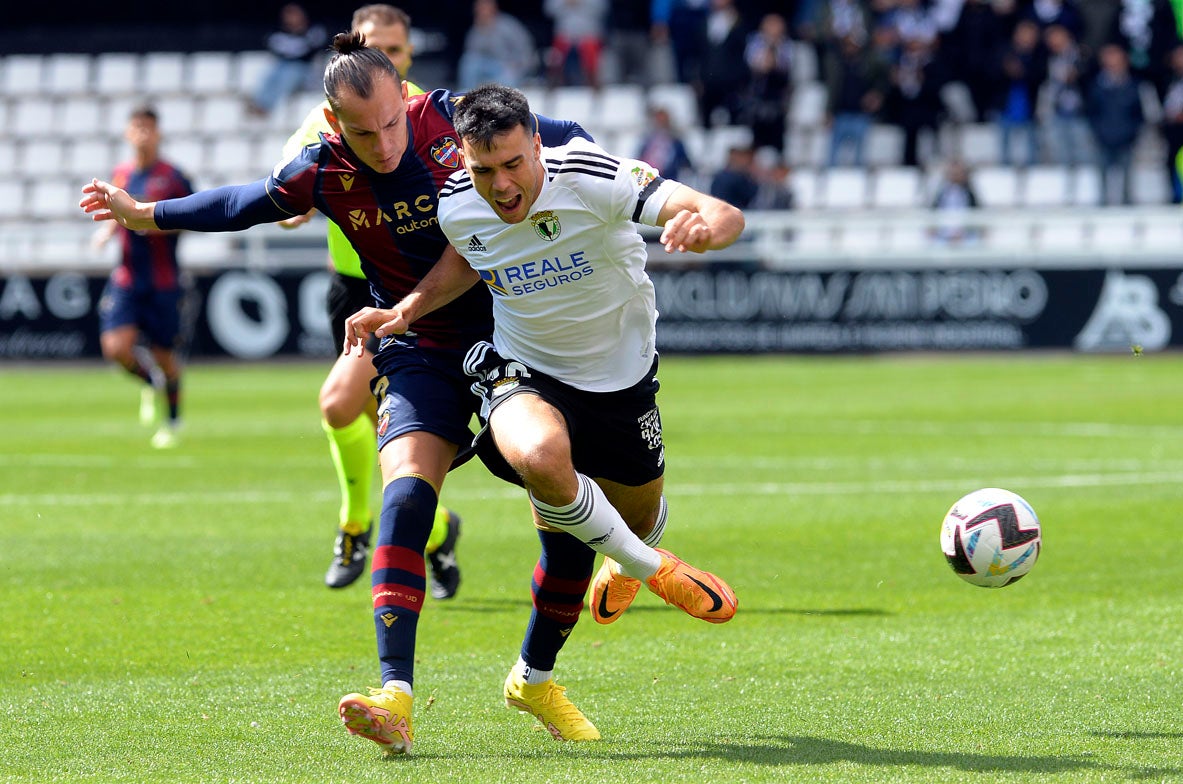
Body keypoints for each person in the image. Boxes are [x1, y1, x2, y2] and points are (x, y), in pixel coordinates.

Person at [79, 33, 623, 758]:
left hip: (514, 335)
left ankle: (536, 677)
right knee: (404, 494)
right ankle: (393, 694)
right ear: (334, 123)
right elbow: (246, 202)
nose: (384, 142)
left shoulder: (452, 117)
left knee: (559, 505)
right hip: (418, 344)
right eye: (362, 131)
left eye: (392, 122)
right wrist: (148, 214)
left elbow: (568, 144)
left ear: (406, 95)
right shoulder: (322, 167)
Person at [341, 83, 742, 751]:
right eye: (482, 170)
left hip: (623, 385)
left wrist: (706, 229)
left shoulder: (592, 172)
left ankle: (540, 669)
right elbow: (466, 260)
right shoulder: (458, 203)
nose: (500, 187)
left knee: (607, 527)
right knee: (539, 458)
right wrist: (405, 311)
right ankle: (650, 568)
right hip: (523, 374)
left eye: (512, 165)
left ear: (537, 146)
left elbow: (719, 210)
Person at [279, 4, 462, 594]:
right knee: (361, 418)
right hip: (355, 292)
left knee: (345, 406)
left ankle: (360, 525)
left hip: (429, 290)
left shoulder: (430, 115)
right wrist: (299, 201)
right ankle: (431, 532)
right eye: (369, 45)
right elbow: (285, 196)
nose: (384, 57)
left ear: (407, 56)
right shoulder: (327, 120)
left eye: (397, 50)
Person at [91, 105, 193, 450]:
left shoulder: (174, 177)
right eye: (137, 127)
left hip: (163, 281)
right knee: (115, 347)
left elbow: (193, 216)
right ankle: (150, 381)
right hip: (127, 278)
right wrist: (107, 231)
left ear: (158, 133)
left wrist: (153, 222)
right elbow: (115, 210)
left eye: (148, 127)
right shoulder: (121, 174)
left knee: (166, 356)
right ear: (127, 133)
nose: (143, 134)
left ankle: (173, 421)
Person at [248, 3, 328, 116]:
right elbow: (278, 50)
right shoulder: (278, 32)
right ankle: (259, 103)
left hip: (309, 71)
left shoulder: (314, 30)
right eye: (288, 15)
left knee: (291, 71)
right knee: (271, 74)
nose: (291, 18)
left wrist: (294, 50)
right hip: (284, 67)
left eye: (294, 14)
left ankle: (265, 107)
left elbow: (308, 54)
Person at [457, 0, 538, 90]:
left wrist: (519, 65)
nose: (481, 11)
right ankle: (465, 95)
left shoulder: (507, 25)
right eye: (479, 9)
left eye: (484, 8)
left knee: (506, 81)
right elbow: (472, 53)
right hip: (487, 67)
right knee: (469, 61)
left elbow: (525, 47)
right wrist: (484, 31)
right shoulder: (476, 29)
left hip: (508, 67)